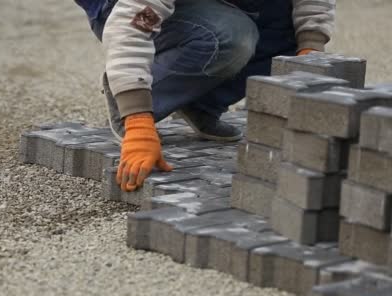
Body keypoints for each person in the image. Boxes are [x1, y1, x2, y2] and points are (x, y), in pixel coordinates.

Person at [75, 0, 335, 192]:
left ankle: (200, 102)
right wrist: (137, 119)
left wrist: (310, 47)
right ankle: (133, 94)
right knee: (232, 36)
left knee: (285, 26)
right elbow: (131, 25)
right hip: (118, 7)